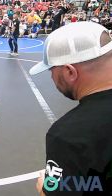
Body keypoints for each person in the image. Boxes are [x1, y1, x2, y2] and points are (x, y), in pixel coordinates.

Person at [30, 22, 112, 195]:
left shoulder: (69, 137)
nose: (51, 77)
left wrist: (45, 190)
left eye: (51, 70)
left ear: (69, 72)